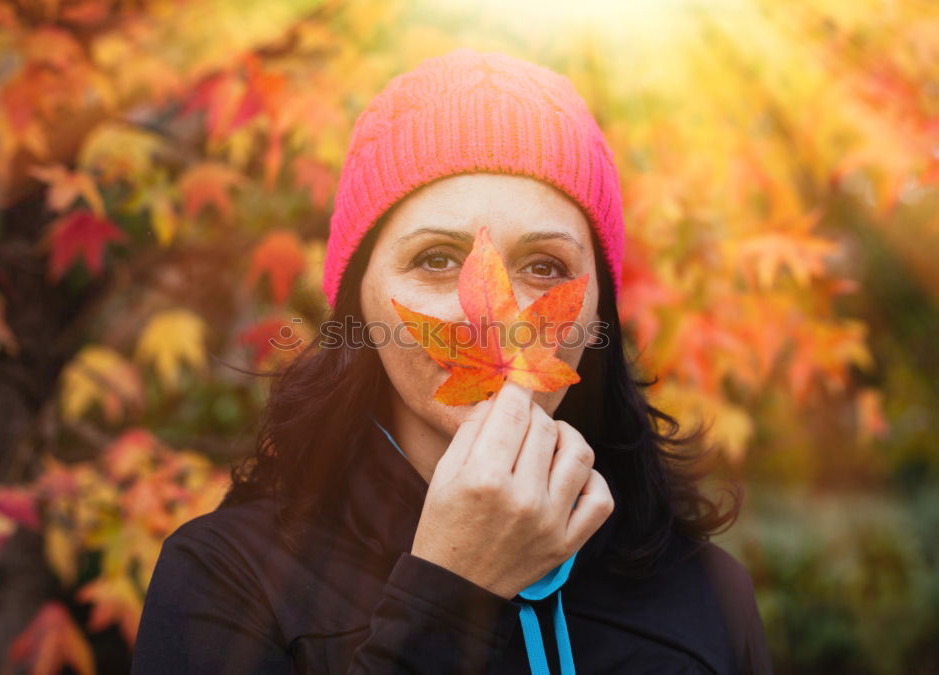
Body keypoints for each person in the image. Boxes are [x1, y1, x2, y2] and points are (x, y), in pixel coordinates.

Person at [131, 46, 775, 674]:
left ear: (599, 313)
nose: (490, 314)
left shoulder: (707, 595)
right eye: (436, 259)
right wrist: (450, 595)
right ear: (359, 303)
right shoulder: (228, 579)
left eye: (546, 266)